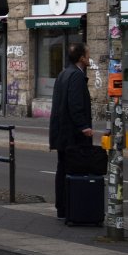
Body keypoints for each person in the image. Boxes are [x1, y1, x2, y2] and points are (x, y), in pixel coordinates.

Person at [48, 42, 94, 219]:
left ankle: (62, 207)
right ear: (81, 58)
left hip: (62, 134)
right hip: (72, 135)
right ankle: (70, 207)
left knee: (63, 169)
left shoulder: (63, 73)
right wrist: (84, 127)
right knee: (72, 170)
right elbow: (75, 105)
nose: (89, 58)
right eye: (88, 55)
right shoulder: (75, 76)